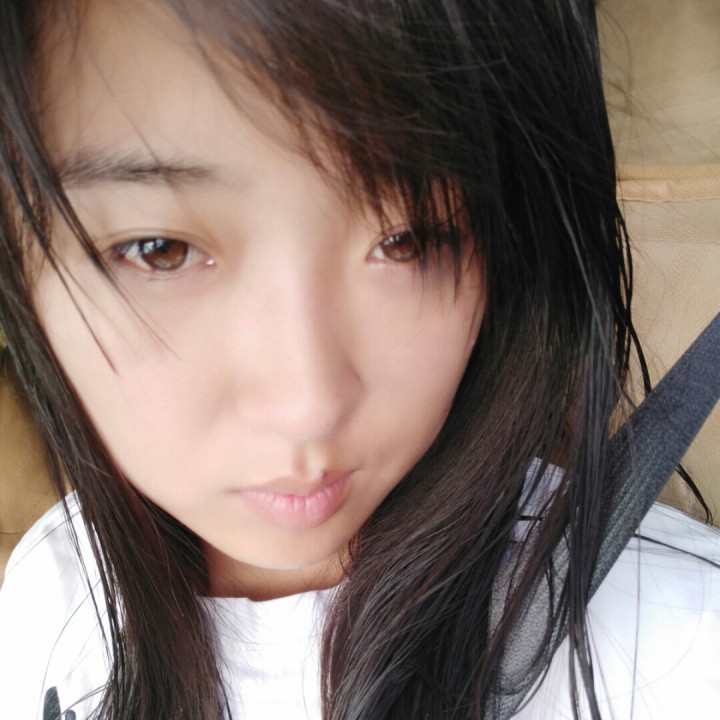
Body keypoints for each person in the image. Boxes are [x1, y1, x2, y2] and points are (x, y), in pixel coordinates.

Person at [0, 0, 717, 718]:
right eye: (161, 251)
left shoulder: (681, 647)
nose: (308, 406)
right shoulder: (51, 588)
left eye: (408, 241)